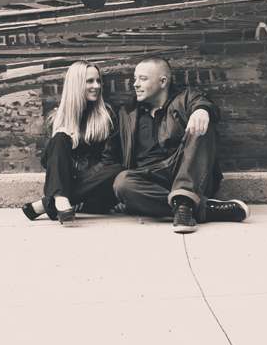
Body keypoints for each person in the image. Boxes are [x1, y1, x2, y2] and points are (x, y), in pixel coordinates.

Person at [112, 56, 249, 233]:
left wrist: (202, 110)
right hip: (153, 179)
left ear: (162, 81)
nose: (135, 84)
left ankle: (184, 200)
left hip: (188, 168)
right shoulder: (129, 113)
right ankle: (198, 209)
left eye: (143, 79)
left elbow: (204, 103)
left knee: (202, 126)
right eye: (135, 79)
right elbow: (112, 158)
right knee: (122, 182)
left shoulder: (185, 97)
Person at [23, 60, 123, 225]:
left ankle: (52, 203)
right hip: (65, 187)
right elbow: (47, 163)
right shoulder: (55, 119)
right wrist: (58, 136)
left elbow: (109, 160)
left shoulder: (107, 115)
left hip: (94, 194)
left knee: (118, 169)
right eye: (90, 81)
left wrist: (74, 192)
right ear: (76, 84)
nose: (97, 86)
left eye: (98, 81)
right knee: (60, 137)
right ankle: (61, 199)